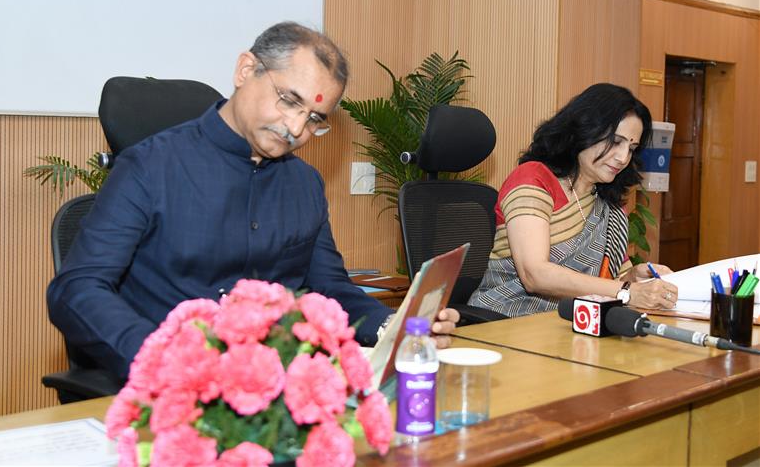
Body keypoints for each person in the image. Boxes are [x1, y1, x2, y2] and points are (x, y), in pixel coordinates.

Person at [47, 22, 459, 381]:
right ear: (246, 70)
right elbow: (78, 289)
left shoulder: (305, 184)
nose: (296, 127)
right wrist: (162, 360)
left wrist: (397, 326)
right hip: (173, 389)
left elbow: (329, 289)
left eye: (315, 119)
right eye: (290, 100)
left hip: (278, 392)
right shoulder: (149, 167)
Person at [468, 83, 678, 317]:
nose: (622, 157)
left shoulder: (608, 201)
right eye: (616, 142)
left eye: (632, 148)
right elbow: (534, 275)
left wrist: (632, 277)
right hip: (506, 318)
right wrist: (627, 290)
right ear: (585, 130)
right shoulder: (534, 178)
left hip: (576, 321)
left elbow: (606, 281)